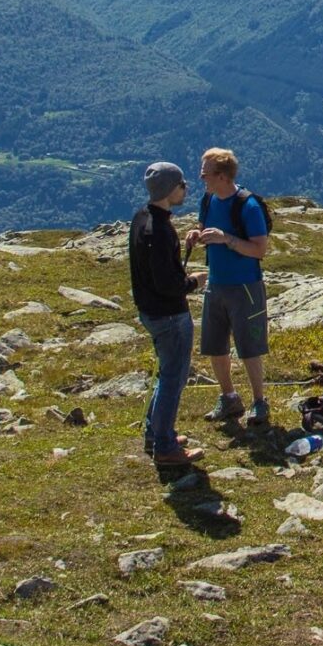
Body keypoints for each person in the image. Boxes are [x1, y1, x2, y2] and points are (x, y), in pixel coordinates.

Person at [185, 147, 272, 427]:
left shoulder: (247, 206)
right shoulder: (209, 200)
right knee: (215, 345)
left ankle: (260, 401)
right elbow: (203, 226)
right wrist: (196, 234)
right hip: (217, 283)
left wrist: (228, 240)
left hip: (245, 285)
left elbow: (259, 250)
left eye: (205, 173)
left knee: (249, 346)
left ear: (221, 176)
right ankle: (229, 397)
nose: (201, 178)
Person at [128, 161, 206, 468]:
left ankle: (156, 431)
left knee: (166, 373)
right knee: (174, 377)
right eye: (182, 184)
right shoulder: (159, 230)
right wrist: (193, 283)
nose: (185, 188)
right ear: (170, 189)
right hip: (170, 315)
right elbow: (167, 283)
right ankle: (165, 446)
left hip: (150, 311)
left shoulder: (141, 219)